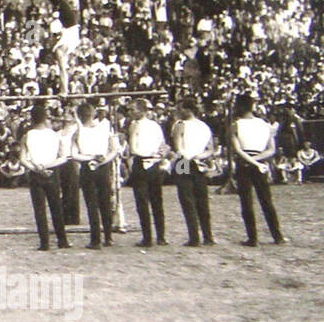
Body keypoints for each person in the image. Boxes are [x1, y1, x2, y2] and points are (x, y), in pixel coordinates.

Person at [230, 93, 286, 246]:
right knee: (266, 201)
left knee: (247, 202)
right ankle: (277, 236)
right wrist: (257, 160)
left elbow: (238, 149)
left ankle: (252, 238)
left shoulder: (236, 124)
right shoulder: (264, 124)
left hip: (245, 164)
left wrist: (250, 161)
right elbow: (271, 150)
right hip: (260, 163)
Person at [19, 103, 69, 251]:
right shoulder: (54, 135)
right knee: (56, 207)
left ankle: (44, 242)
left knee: (39, 209)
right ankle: (62, 240)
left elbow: (23, 159)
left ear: (32, 119)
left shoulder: (27, 135)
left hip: (36, 172)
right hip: (52, 171)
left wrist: (38, 168)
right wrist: (48, 166)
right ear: (45, 118)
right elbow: (64, 157)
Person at [71, 103, 118, 249]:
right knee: (105, 202)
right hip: (102, 166)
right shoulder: (104, 129)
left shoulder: (78, 132)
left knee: (92, 204)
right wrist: (102, 159)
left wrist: (90, 158)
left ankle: (96, 239)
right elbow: (114, 150)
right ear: (93, 114)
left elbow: (74, 155)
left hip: (88, 167)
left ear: (79, 116)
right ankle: (108, 237)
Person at [171, 100, 216, 247]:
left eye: (181, 108)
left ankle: (194, 237)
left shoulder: (180, 125)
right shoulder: (204, 126)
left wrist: (188, 156)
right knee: (201, 199)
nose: (179, 111)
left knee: (187, 199)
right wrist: (199, 156)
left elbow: (177, 148)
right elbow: (210, 149)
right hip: (199, 162)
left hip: (183, 161)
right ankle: (208, 236)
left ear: (188, 110)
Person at [126, 100, 170, 246]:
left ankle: (152, 237)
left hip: (146, 162)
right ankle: (157, 237)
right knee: (152, 201)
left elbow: (134, 148)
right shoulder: (151, 125)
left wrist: (155, 154)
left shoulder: (139, 125)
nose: (130, 112)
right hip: (149, 163)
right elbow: (162, 145)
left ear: (141, 110)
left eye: (133, 110)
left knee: (146, 202)